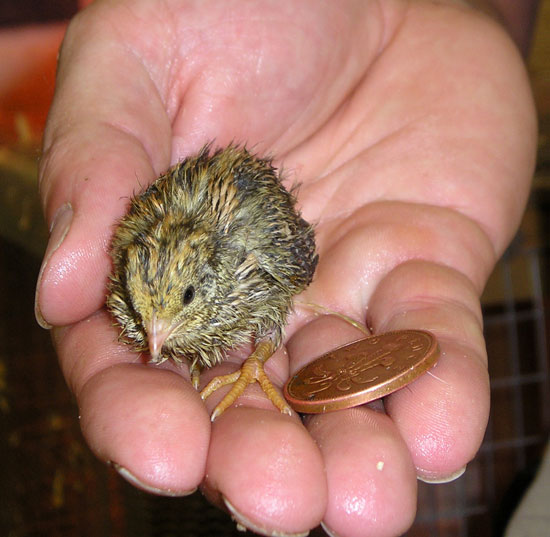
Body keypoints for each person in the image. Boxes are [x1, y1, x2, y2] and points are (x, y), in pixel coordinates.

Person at [35, 1, 538, 536]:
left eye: (175, 308)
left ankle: (254, 369)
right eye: (144, 310)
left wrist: (256, 360)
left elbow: (290, 267)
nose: (154, 339)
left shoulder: (252, 263)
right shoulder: (136, 286)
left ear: (209, 277)